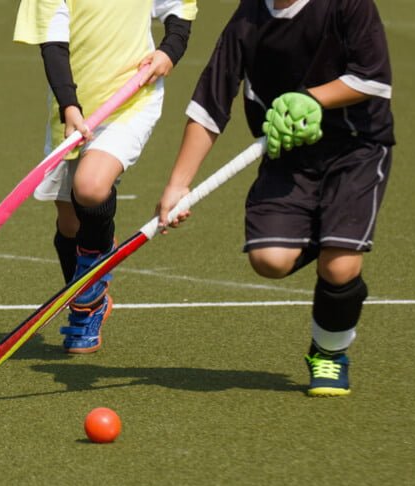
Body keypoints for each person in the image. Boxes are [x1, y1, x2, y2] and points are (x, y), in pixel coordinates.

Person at [157, 0, 394, 396]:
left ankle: (330, 352)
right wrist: (177, 185)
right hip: (287, 156)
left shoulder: (348, 4)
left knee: (338, 268)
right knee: (269, 261)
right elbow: (209, 104)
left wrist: (312, 97)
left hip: (355, 150)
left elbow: (374, 79)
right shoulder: (248, 17)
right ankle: (336, 240)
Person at [14, 0, 198, 354]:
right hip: (73, 111)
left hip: (132, 100)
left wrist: (169, 51)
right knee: (69, 223)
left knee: (91, 186)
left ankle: (85, 303)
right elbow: (52, 46)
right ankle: (92, 298)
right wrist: (70, 106)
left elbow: (179, 8)